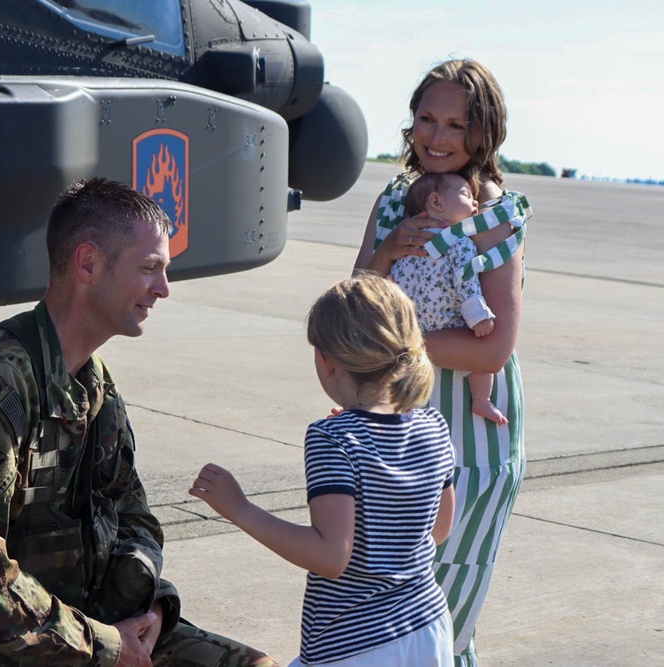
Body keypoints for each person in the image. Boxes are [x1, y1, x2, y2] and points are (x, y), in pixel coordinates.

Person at [0, 177, 279, 667]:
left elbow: (133, 515)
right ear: (87, 263)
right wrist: (106, 646)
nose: (163, 289)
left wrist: (149, 609)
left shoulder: (94, 382)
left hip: (80, 629)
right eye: (149, 268)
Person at [353, 58, 534, 667]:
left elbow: (493, 346)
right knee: (383, 615)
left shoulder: (493, 213)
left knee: (445, 620)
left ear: (483, 134)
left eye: (455, 125)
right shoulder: (393, 200)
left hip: (472, 437)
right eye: (426, 118)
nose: (436, 136)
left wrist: (399, 343)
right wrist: (387, 251)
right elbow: (356, 303)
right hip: (392, 428)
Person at [189, 273, 457, 667]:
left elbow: (331, 556)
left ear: (325, 361)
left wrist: (240, 509)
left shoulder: (333, 438)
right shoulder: (432, 425)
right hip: (428, 630)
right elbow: (439, 528)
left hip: (354, 646)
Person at [394, 171, 507, 425]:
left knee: (405, 378)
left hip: (416, 328)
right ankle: (481, 401)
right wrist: (479, 317)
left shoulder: (409, 243)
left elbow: (395, 280)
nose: (475, 203)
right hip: (451, 328)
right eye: (467, 195)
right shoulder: (460, 242)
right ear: (437, 202)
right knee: (480, 363)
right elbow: (466, 281)